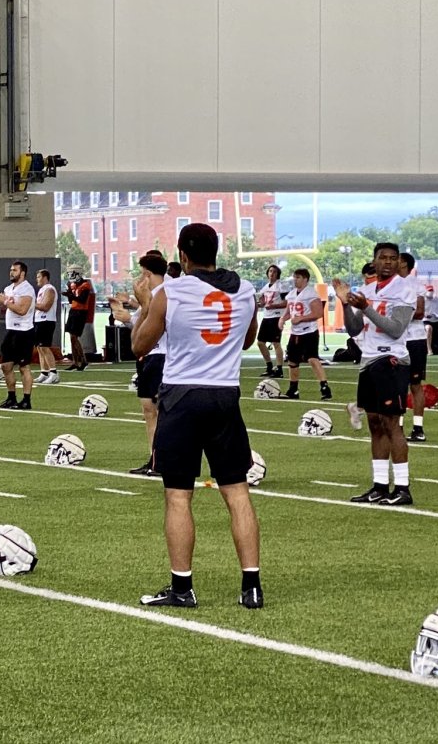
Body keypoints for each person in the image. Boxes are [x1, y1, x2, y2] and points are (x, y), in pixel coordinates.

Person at [132, 223, 260, 610]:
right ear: (216, 250)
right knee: (237, 492)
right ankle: (251, 586)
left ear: (182, 256)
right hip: (225, 394)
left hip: (183, 395)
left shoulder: (170, 291)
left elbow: (140, 345)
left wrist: (144, 305)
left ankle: (182, 587)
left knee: (178, 496)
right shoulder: (246, 289)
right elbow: (249, 339)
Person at [334, 244, 416, 506]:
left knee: (392, 424)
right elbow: (354, 329)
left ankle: (402, 488)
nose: (388, 263)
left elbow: (395, 328)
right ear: (375, 261)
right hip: (369, 360)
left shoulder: (405, 288)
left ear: (399, 262)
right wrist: (345, 303)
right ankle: (380, 485)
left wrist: (367, 306)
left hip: (391, 360)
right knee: (375, 424)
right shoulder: (368, 289)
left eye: (393, 258)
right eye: (383, 258)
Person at [110, 251, 168, 476]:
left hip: (160, 355)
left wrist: (130, 318)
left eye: (141, 275)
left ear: (147, 274)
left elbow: (149, 328)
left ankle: (161, 459)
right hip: (150, 356)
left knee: (157, 410)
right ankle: (155, 458)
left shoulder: (162, 294)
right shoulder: (154, 296)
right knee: (149, 409)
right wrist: (129, 316)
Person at [277, 268, 332, 401]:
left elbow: (318, 313)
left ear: (305, 279)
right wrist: (282, 319)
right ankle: (293, 390)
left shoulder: (311, 293)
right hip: (295, 332)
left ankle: (325, 387)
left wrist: (301, 318)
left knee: (312, 359)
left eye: (298, 277)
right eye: (295, 277)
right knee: (292, 361)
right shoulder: (292, 294)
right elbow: (289, 310)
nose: (295, 280)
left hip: (309, 331)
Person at [0, 261, 36, 410]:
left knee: (24, 367)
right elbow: (3, 308)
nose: (11, 272)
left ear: (22, 273)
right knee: (6, 366)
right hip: (11, 330)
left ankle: (26, 399)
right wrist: (0, 301)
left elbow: (22, 310)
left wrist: (5, 301)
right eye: (11, 270)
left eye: (14, 270)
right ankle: (11, 397)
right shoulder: (8, 288)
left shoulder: (27, 289)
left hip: (24, 331)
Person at [398, 253, 428, 441]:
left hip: (414, 339)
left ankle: (418, 428)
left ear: (404, 264)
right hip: (397, 340)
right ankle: (397, 427)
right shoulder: (392, 284)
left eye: (396, 260)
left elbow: (420, 312)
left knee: (415, 385)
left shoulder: (415, 284)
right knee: (397, 385)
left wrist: (398, 317)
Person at [256, 264, 290, 378]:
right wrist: (256, 303)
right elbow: (263, 303)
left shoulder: (281, 286)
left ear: (278, 274)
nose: (271, 273)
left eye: (274, 272)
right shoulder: (265, 287)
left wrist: (274, 306)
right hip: (266, 317)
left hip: (276, 316)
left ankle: (279, 369)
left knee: (276, 343)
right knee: (260, 342)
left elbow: (286, 302)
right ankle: (269, 366)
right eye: (270, 271)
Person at [33, 269, 59, 385]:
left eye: (38, 277)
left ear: (44, 277)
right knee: (39, 347)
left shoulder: (50, 289)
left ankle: (53, 373)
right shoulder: (41, 290)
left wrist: (30, 303)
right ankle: (44, 372)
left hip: (47, 321)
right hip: (39, 320)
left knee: (45, 347)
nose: (37, 279)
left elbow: (46, 306)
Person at [63, 267, 93, 371]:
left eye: (73, 273)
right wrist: (69, 294)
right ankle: (75, 362)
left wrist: (71, 294)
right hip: (73, 310)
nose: (71, 276)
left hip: (80, 312)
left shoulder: (85, 285)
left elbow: (82, 300)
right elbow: (72, 301)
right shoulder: (74, 285)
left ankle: (83, 360)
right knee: (72, 338)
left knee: (74, 337)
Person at [424, 281, 438, 355]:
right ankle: (429, 350)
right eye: (429, 290)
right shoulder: (423, 300)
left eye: (431, 290)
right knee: (428, 328)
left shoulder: (437, 299)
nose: (430, 292)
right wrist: (425, 315)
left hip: (437, 320)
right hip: (426, 320)